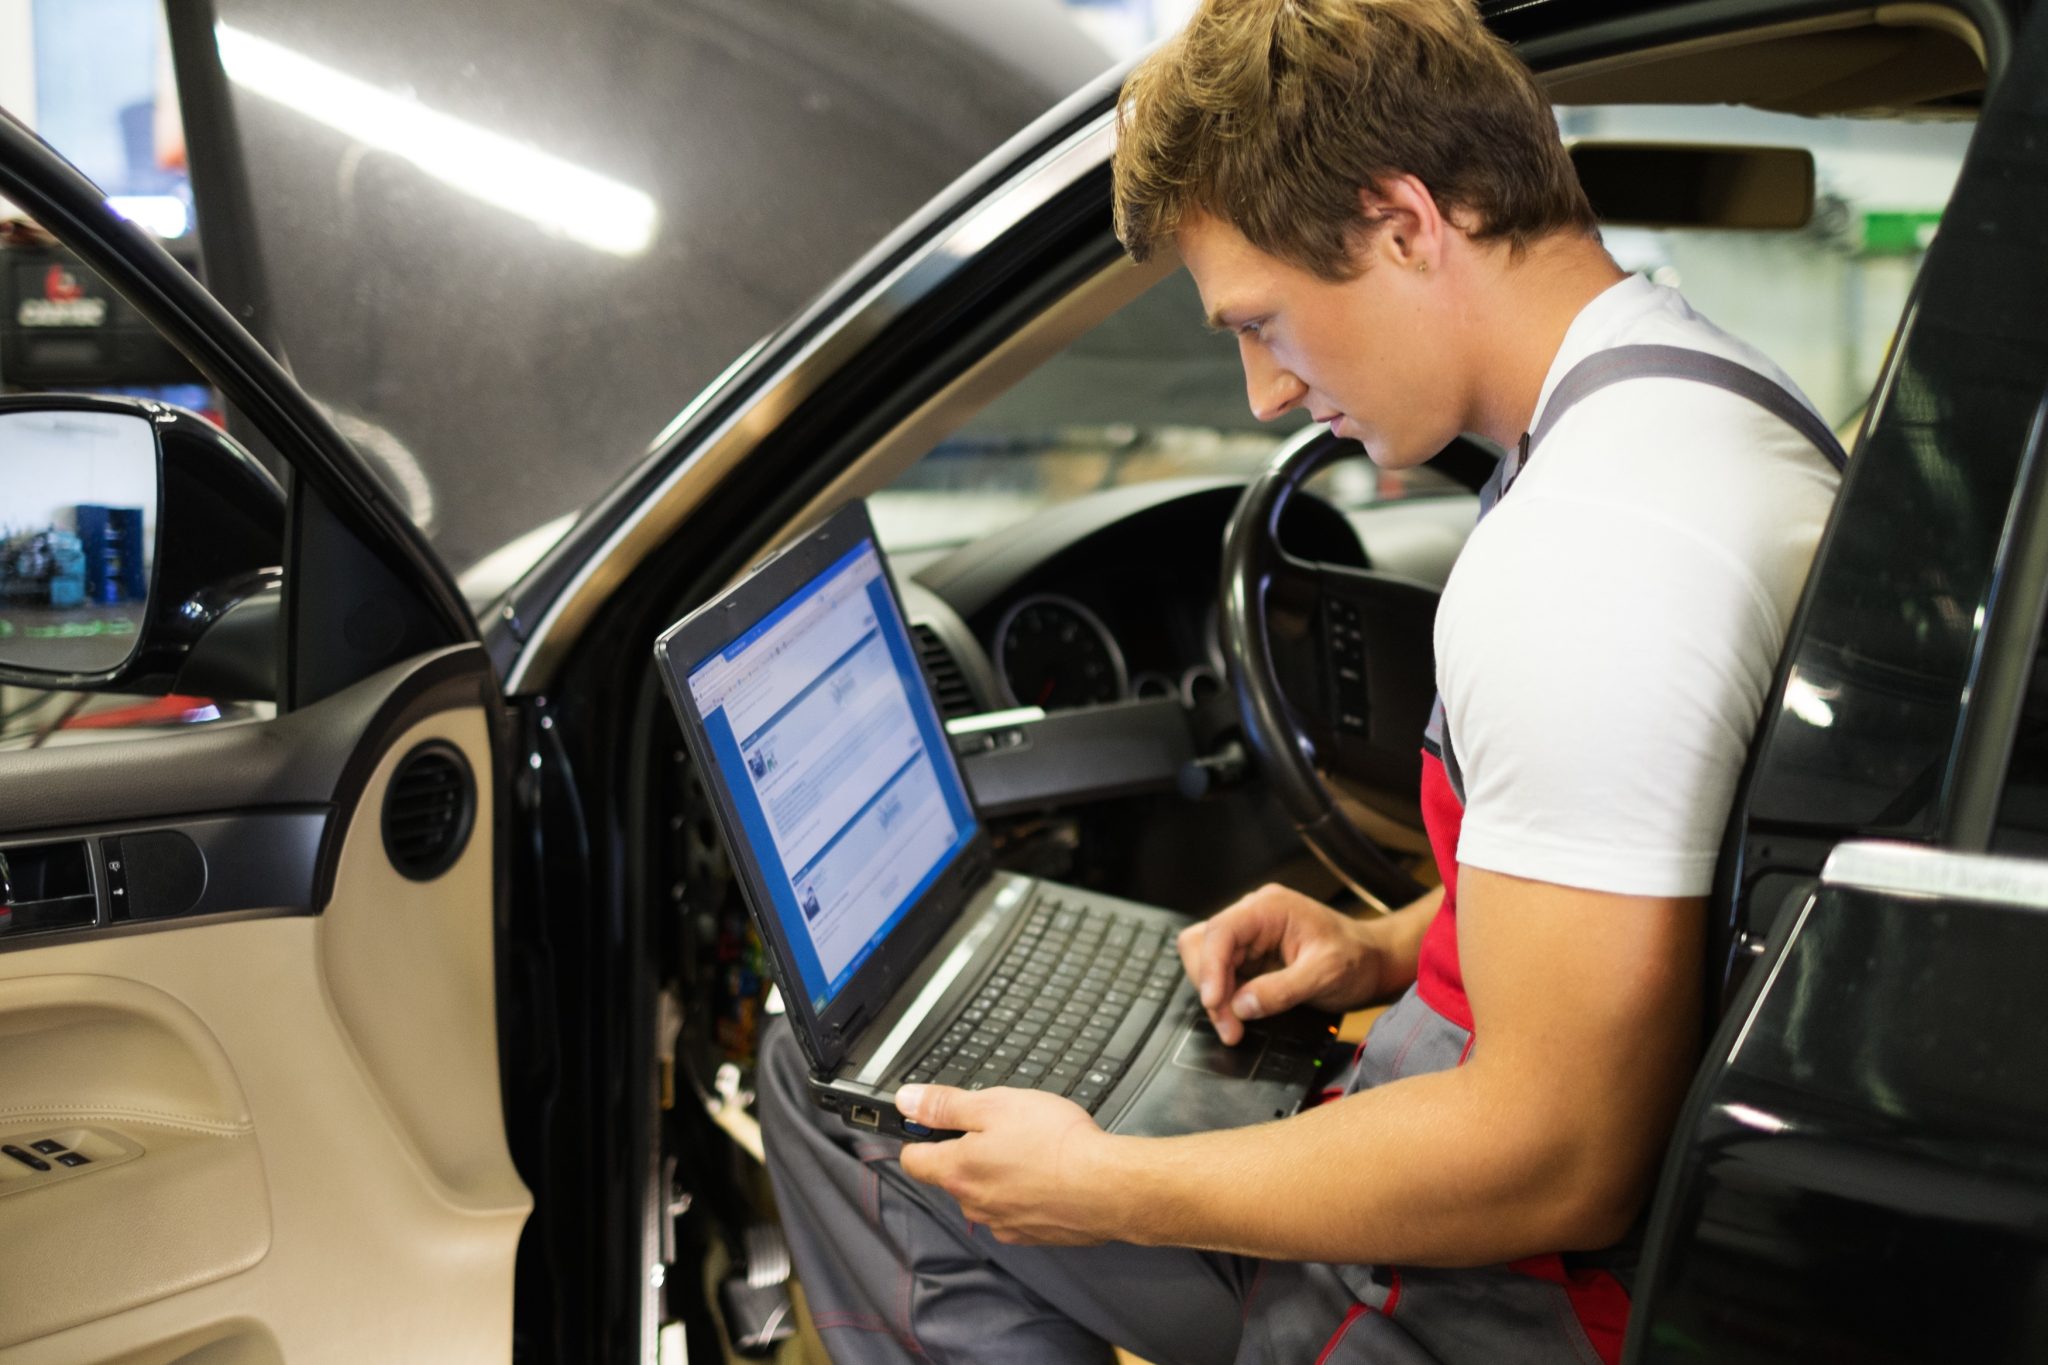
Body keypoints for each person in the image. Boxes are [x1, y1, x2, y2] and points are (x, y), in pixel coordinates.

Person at [757, 0, 1843, 1359]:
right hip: (1522, 1162)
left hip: (1486, 1299)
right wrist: (1388, 943)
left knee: (844, 1100)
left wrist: (1112, 1186)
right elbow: (1662, 886)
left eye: (1264, 320)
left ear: (1404, 222)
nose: (1266, 392)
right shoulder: (1706, 404)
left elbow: (1560, 1154)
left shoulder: (1585, 554)